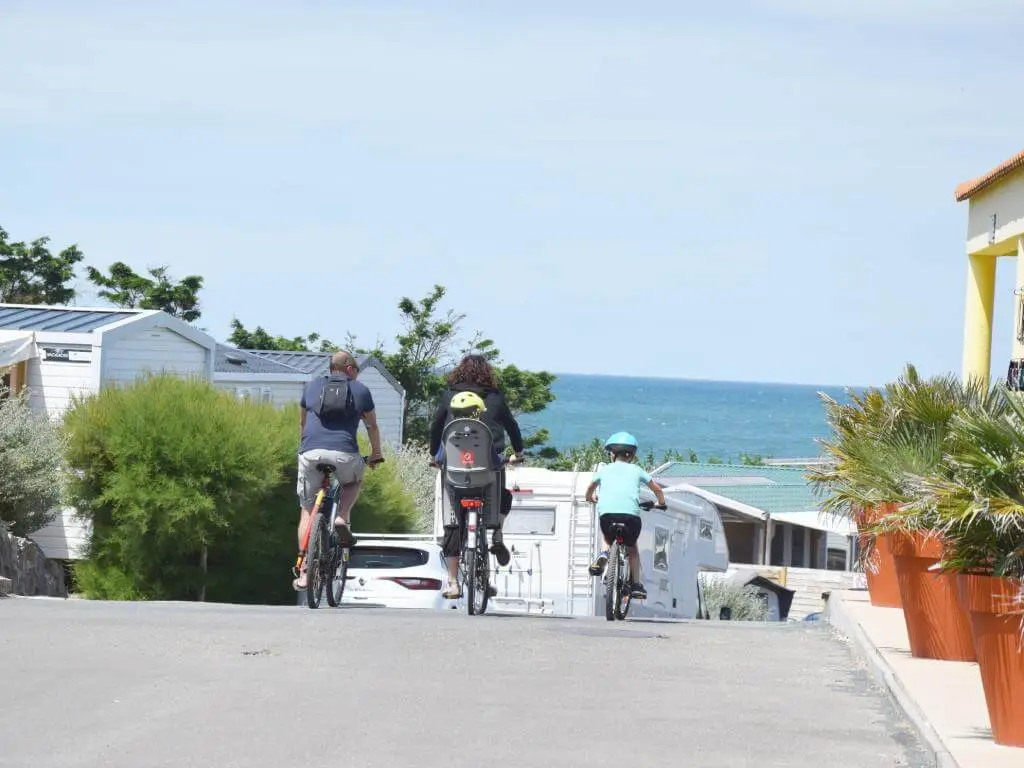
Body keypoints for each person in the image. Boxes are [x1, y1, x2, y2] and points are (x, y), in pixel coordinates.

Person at [428, 353, 525, 598]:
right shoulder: (495, 397)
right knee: (503, 495)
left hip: (454, 474)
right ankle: (497, 532)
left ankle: (452, 582)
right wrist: (519, 452)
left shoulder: (449, 396)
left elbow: (436, 427)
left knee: (452, 524)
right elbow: (512, 427)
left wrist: (433, 455)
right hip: (488, 474)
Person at [292, 350, 383, 591]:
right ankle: (342, 516)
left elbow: (302, 423)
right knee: (352, 482)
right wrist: (375, 455)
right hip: (344, 453)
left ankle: (303, 573)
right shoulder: (360, 390)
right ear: (350, 368)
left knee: (307, 510)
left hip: (310, 452)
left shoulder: (311, 387)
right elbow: (372, 427)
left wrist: (307, 448)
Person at [584, 431, 667, 600]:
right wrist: (661, 503)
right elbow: (657, 489)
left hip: (607, 515)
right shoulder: (637, 470)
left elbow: (590, 487)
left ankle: (604, 554)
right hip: (630, 518)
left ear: (612, 453)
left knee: (607, 537)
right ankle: (636, 584)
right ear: (632, 454)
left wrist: (590, 498)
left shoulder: (604, 470)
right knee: (633, 548)